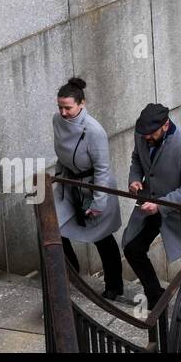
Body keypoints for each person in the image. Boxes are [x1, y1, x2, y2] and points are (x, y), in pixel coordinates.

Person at [122, 103, 181, 310]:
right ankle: (155, 295)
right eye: (144, 134)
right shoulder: (142, 134)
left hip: (180, 211)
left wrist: (160, 206)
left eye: (151, 134)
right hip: (149, 205)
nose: (146, 138)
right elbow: (137, 160)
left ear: (166, 125)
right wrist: (134, 179)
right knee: (132, 248)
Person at [51, 77, 125, 301]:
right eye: (60, 107)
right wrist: (58, 177)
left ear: (82, 104)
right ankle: (70, 269)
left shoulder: (94, 131)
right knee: (53, 225)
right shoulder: (57, 120)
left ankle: (114, 286)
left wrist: (98, 202)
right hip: (69, 183)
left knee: (102, 238)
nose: (63, 112)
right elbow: (62, 153)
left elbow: (102, 169)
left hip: (94, 187)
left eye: (68, 108)